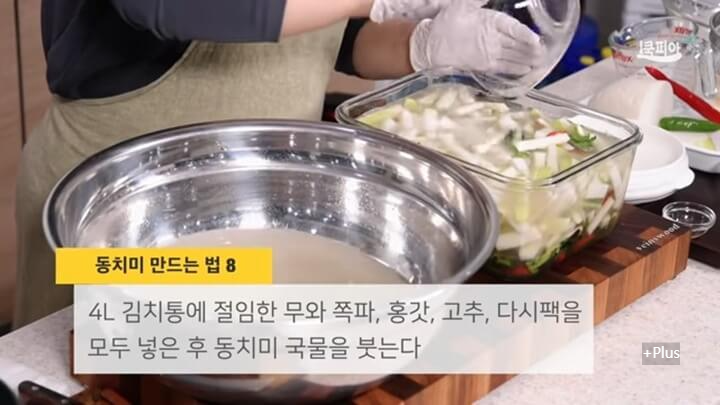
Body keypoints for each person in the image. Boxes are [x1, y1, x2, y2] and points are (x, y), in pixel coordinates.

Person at [13, 0, 544, 328]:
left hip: (253, 216)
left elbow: (332, 39)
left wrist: (424, 45)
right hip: (114, 222)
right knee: (102, 370)